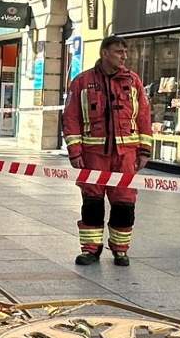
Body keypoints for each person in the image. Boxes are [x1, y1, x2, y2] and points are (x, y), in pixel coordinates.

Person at [63, 36, 153, 267]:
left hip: (126, 155)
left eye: (125, 52)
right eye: (118, 52)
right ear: (104, 53)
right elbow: (71, 117)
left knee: (124, 203)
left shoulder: (133, 81)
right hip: (93, 155)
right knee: (92, 202)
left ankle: (120, 250)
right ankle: (90, 249)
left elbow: (143, 116)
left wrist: (144, 150)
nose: (124, 56)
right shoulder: (82, 82)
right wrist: (75, 150)